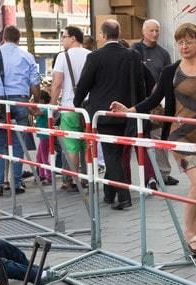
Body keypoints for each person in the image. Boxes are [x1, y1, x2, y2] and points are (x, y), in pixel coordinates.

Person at [112, 22, 196, 258]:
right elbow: (154, 98)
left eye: (189, 41)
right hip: (181, 135)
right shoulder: (171, 71)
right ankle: (189, 236)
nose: (184, 46)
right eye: (180, 42)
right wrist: (130, 110)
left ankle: (194, 237)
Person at [73, 19, 146, 210]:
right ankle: (108, 193)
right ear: (118, 33)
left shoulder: (96, 57)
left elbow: (84, 85)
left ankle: (124, 197)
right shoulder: (133, 55)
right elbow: (140, 85)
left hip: (103, 114)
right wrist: (138, 108)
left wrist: (76, 104)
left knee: (111, 156)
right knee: (115, 154)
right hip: (127, 112)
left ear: (103, 35)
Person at [0, 25, 41, 197]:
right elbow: (35, 82)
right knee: (19, 142)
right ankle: (17, 182)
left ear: (3, 37)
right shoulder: (27, 56)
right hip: (20, 101)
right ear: (19, 39)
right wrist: (36, 101)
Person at [131, 19, 179, 187]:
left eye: (157, 31)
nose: (154, 34)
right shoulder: (135, 51)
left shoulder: (164, 54)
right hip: (140, 102)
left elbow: (169, 77)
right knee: (143, 139)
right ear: (143, 32)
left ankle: (164, 174)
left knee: (160, 137)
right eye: (151, 30)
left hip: (159, 103)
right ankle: (149, 174)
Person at [51, 25, 92, 189]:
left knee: (72, 146)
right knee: (87, 145)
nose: (62, 40)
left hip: (69, 107)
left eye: (64, 36)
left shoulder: (63, 57)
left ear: (73, 38)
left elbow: (57, 83)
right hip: (88, 108)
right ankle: (88, 177)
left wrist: (52, 104)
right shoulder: (91, 55)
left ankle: (73, 181)